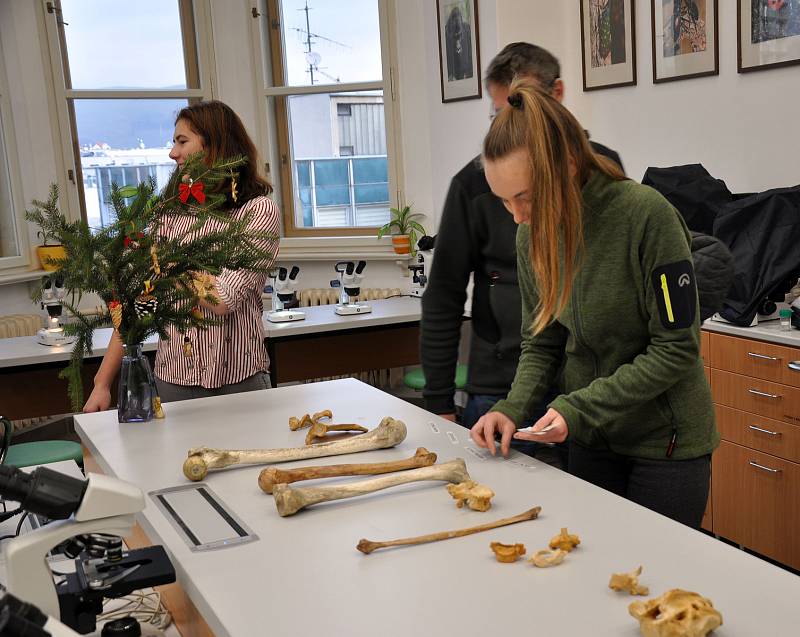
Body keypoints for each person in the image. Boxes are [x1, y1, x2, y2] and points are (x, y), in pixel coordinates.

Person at [470, 80, 719, 528]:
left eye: (523, 196)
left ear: (566, 165)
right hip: (591, 441)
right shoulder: (532, 236)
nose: (517, 216)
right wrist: (511, 407)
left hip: (665, 447)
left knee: (658, 586)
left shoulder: (647, 217)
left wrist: (577, 408)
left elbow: (676, 349)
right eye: (504, 201)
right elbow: (541, 342)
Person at [420, 43, 622, 450]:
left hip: (586, 390)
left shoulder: (602, 172)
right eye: (501, 111)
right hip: (501, 387)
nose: (515, 120)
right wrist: (438, 401)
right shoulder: (473, 185)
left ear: (558, 94)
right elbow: (443, 295)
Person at [83, 101, 280, 410]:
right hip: (173, 384)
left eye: (182, 141)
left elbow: (224, 299)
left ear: (213, 146)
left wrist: (162, 262)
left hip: (241, 385)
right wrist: (101, 383)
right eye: (174, 142)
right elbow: (135, 306)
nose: (172, 153)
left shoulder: (256, 211)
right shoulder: (168, 214)